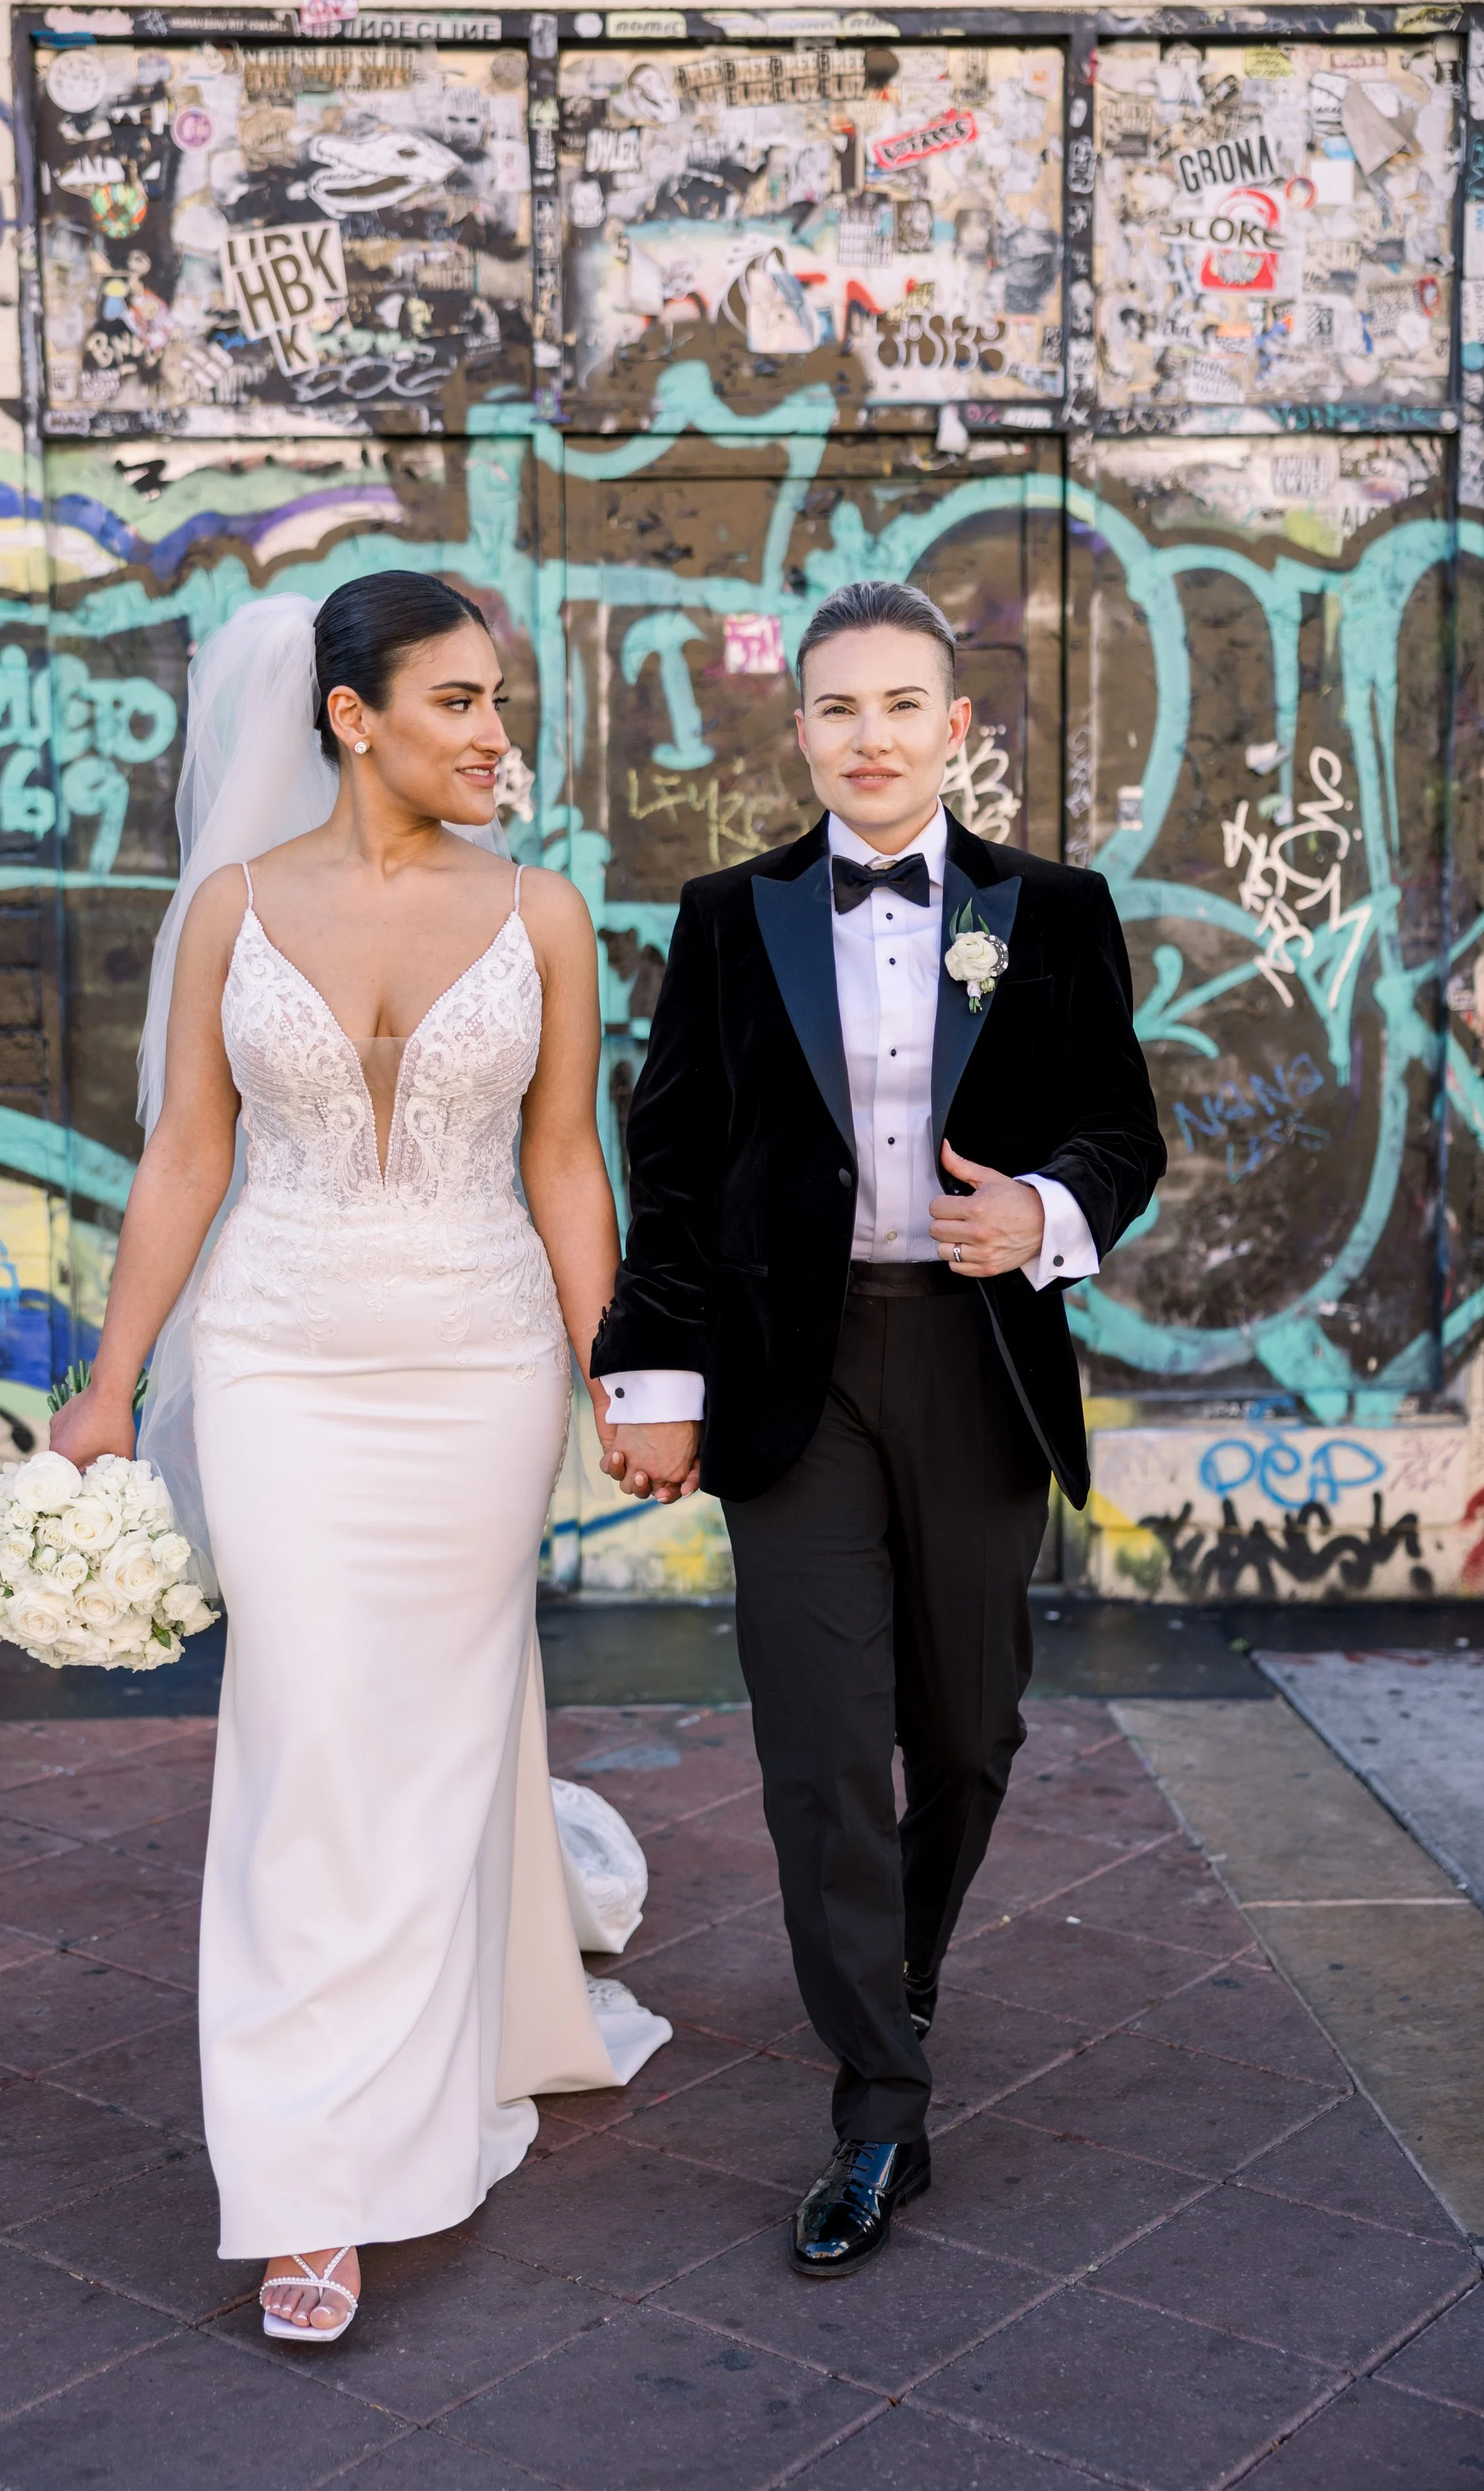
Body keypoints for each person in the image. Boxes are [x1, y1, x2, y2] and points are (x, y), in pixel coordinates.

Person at [51, 575, 668, 2343]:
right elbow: (181, 1157)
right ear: (350, 716)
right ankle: (306, 2177)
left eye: (499, 701)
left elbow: (564, 1161)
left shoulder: (540, 911)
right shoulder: (232, 911)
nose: (496, 734)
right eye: (459, 700)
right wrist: (112, 1385)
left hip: (479, 1368)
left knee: (441, 1729)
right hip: (278, 1358)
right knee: (309, 1730)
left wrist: (611, 1371)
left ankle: (421, 2083)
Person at [593, 579, 1164, 2277]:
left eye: (900, 706)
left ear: (953, 727)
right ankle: (877, 2106)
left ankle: (886, 1966)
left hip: (976, 1367)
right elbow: (675, 1166)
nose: (868, 737)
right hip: (797, 1376)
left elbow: (1119, 1130)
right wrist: (656, 1376)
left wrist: (1048, 1213)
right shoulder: (724, 915)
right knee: (824, 1750)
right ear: (801, 732)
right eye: (836, 710)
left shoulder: (1049, 910)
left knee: (967, 1737)